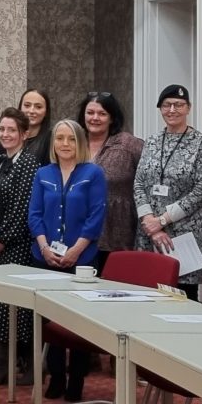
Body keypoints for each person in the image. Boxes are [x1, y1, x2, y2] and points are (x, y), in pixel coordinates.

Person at [28, 119, 107, 402]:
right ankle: (57, 376)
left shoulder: (93, 173)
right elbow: (34, 214)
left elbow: (96, 216)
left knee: (79, 321)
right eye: (60, 138)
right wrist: (45, 247)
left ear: (80, 143)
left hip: (82, 258)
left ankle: (76, 379)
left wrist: (75, 250)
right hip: (45, 256)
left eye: (71, 139)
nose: (65, 144)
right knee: (50, 319)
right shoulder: (43, 174)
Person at [0, 108, 40, 386]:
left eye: (11, 130)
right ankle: (2, 364)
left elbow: (22, 209)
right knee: (0, 306)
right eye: (2, 129)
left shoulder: (28, 163)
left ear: (24, 134)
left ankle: (28, 364)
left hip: (19, 246)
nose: (5, 134)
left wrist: (2, 237)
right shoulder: (1, 162)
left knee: (18, 307)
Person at [134, 84, 202, 299]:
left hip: (183, 233)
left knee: (181, 297)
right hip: (148, 232)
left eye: (178, 105)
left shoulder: (201, 144)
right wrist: (149, 221)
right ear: (160, 108)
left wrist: (162, 221)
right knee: (146, 292)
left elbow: (201, 190)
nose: (172, 110)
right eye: (167, 105)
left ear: (188, 108)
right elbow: (139, 183)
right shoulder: (151, 141)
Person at [76, 92, 144, 272]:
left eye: (102, 113)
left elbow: (150, 175)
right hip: (78, 232)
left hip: (116, 233)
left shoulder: (127, 144)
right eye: (90, 112)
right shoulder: (73, 142)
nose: (95, 118)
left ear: (112, 118)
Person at [0, 89, 52, 166]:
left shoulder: (52, 139)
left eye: (38, 107)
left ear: (46, 112)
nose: (31, 111)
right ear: (20, 108)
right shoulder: (6, 136)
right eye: (27, 105)